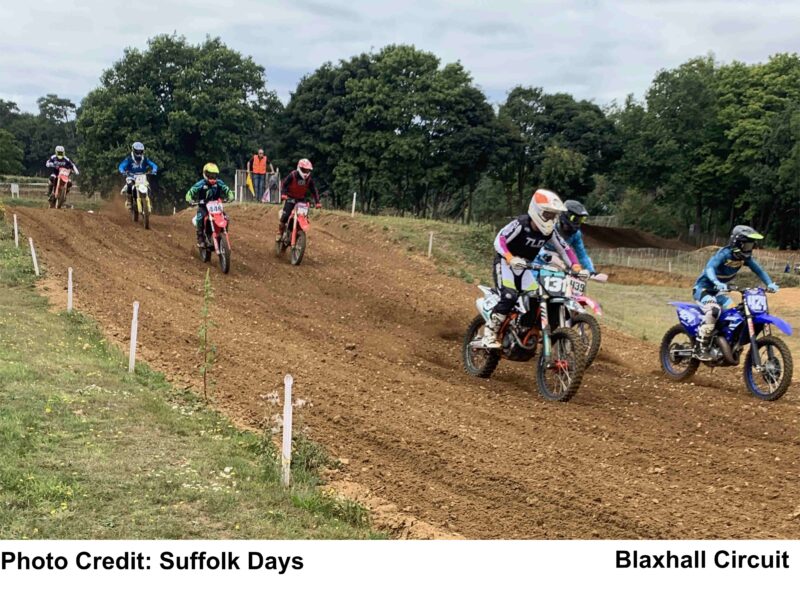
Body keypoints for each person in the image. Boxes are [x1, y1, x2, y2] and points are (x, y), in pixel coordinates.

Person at [483, 189, 582, 349]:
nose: (551, 219)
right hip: (506, 263)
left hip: (525, 267)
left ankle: (523, 328)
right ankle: (489, 333)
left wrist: (576, 266)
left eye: (553, 215)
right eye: (548, 214)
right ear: (537, 211)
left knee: (535, 298)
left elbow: (565, 249)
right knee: (509, 295)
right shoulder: (521, 224)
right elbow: (499, 240)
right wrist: (510, 257)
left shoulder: (549, 232)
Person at [692, 225, 779, 360]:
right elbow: (710, 268)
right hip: (703, 289)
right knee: (714, 310)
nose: (750, 248)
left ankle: (724, 342)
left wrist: (770, 283)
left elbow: (759, 270)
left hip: (719, 292)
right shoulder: (724, 254)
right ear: (738, 243)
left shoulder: (744, 258)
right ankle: (701, 345)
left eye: (751, 245)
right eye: (747, 245)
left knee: (734, 314)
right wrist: (715, 281)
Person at [533, 199, 595, 273]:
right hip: (539, 256)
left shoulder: (576, 234)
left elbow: (582, 255)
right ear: (565, 216)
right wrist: (545, 255)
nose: (578, 223)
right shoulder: (550, 226)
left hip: (562, 259)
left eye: (581, 219)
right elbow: (534, 245)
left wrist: (592, 272)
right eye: (575, 219)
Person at [185, 163, 235, 247]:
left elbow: (228, 190)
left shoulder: (219, 183)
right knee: (200, 217)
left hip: (216, 206)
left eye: (214, 175)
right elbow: (190, 192)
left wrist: (230, 196)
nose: (212, 177)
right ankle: (200, 238)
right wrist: (189, 199)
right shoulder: (201, 183)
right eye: (210, 175)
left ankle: (222, 232)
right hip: (203, 206)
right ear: (205, 174)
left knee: (226, 217)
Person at [276, 158, 321, 241]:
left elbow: (314, 190)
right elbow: (284, 185)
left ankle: (298, 231)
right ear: (299, 168)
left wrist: (317, 202)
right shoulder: (293, 175)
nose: (306, 172)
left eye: (308, 170)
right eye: (304, 170)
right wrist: (283, 194)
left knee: (303, 216)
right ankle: (280, 232)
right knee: (286, 215)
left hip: (301, 200)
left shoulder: (309, 179)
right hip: (290, 198)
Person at [118, 142, 158, 209]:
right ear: (134, 150)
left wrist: (154, 170)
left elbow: (153, 164)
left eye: (140, 151)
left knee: (149, 187)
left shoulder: (144, 159)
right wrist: (122, 171)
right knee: (129, 185)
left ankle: (148, 201)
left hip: (142, 176)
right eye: (137, 151)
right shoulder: (129, 159)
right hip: (131, 176)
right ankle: (129, 202)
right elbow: (121, 166)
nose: (139, 153)